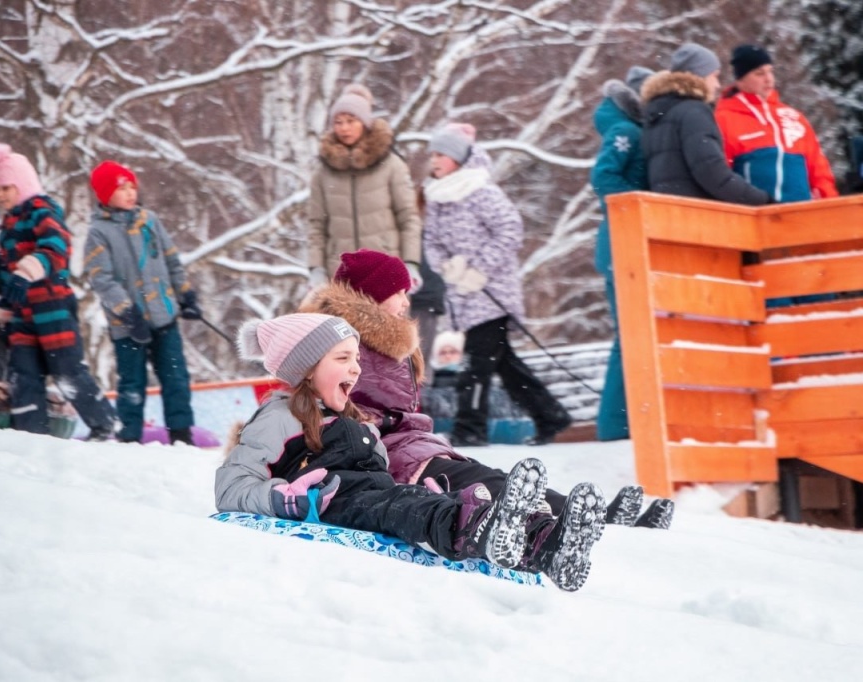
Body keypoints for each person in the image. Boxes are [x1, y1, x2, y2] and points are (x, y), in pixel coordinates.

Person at [215, 312, 607, 591]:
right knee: (404, 507)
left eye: (355, 358)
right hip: (331, 501)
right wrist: (287, 499)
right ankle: (480, 530)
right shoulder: (279, 416)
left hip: (377, 495)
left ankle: (546, 544)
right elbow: (232, 488)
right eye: (342, 358)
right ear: (304, 369)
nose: (355, 369)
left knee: (424, 500)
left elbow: (382, 477)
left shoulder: (356, 420)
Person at [301, 248, 672, 534]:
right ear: (372, 295)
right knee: (487, 486)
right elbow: (341, 407)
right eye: (398, 292)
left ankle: (590, 515)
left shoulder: (382, 341)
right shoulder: (349, 343)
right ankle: (576, 521)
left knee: (490, 477)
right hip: (389, 458)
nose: (406, 301)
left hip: (411, 448)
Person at [421, 123, 574, 447]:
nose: (433, 160)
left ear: (459, 158)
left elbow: (510, 231)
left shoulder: (482, 191)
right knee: (504, 364)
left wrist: (479, 269)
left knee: (477, 364)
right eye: (432, 154)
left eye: (441, 154)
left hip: (492, 292)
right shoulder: (436, 197)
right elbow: (431, 241)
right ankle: (550, 415)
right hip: (462, 292)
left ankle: (469, 428)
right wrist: (448, 267)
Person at [0, 143, 118, 438]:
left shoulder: (42, 210)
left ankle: (104, 425)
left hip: (51, 307)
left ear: (23, 183)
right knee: (22, 374)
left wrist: (25, 272)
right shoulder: (8, 223)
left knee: (67, 369)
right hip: (21, 312)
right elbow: (8, 268)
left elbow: (56, 247)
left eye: (6, 187)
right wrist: (3, 291)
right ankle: (32, 436)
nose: (0, 195)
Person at [83, 160, 200, 445]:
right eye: (121, 188)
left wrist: (185, 295)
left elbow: (171, 259)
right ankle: (129, 438)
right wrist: (128, 313)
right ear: (105, 195)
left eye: (131, 186)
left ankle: (181, 435)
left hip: (164, 317)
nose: (129, 192)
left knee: (176, 379)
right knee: (132, 384)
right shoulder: (98, 232)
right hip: (128, 325)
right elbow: (102, 279)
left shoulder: (149, 220)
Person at [305, 83, 422, 292]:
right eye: (338, 122)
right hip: (341, 274)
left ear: (365, 123)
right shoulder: (323, 173)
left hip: (386, 269)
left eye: (351, 121)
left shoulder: (391, 165)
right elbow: (316, 225)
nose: (344, 128)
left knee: (387, 325)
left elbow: (408, 217)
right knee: (344, 326)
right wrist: (316, 268)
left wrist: (411, 263)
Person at [591, 66, 651, 442]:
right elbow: (603, 178)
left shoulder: (635, 130)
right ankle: (615, 426)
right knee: (628, 335)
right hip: (622, 243)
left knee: (631, 335)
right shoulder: (627, 131)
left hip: (624, 242)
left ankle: (621, 422)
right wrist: (641, 202)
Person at [640, 44, 771, 205]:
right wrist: (761, 200)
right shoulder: (693, 112)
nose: (717, 85)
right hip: (698, 217)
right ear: (699, 76)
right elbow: (712, 172)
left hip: (667, 216)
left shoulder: (659, 114)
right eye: (714, 76)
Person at [714, 44, 838, 202]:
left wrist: (829, 205)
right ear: (740, 81)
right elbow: (721, 176)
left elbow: (820, 170)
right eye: (759, 74)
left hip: (802, 216)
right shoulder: (724, 119)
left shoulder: (793, 117)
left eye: (770, 71)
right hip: (755, 218)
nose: (768, 79)